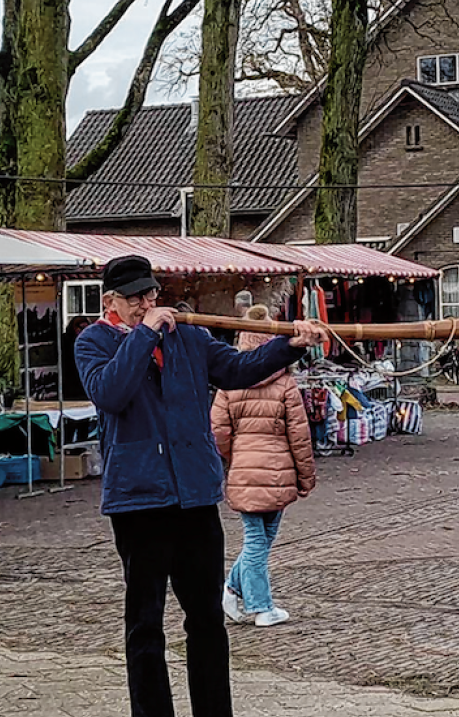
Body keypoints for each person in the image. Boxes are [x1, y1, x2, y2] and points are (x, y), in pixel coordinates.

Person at [74, 255, 326, 717]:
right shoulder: (93, 342)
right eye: (134, 298)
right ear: (110, 299)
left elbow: (239, 369)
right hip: (138, 501)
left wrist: (290, 345)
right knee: (145, 624)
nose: (146, 303)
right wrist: (145, 334)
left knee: (207, 619)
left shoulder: (189, 337)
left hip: (194, 498)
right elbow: (111, 392)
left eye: (150, 294)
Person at [211, 307, 316, 627]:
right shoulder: (285, 383)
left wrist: (236, 457)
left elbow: (218, 431)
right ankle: (260, 606)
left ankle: (231, 590)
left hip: (244, 471)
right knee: (260, 541)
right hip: (279, 471)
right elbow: (299, 435)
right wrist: (305, 476)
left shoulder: (229, 383)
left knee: (258, 540)